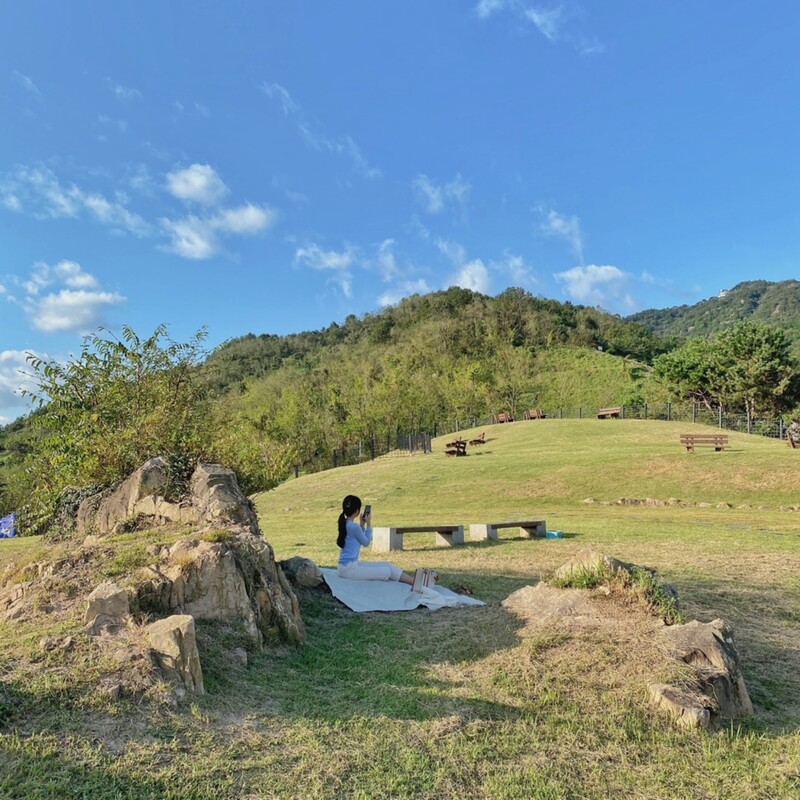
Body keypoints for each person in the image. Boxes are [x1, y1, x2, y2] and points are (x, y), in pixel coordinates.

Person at [337, 494, 415, 585]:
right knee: (387, 571)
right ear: (357, 511)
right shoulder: (353, 527)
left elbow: (356, 538)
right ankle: (415, 582)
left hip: (347, 567)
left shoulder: (346, 524)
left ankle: (413, 581)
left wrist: (362, 525)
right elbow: (366, 543)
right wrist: (369, 524)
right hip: (349, 570)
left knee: (387, 565)